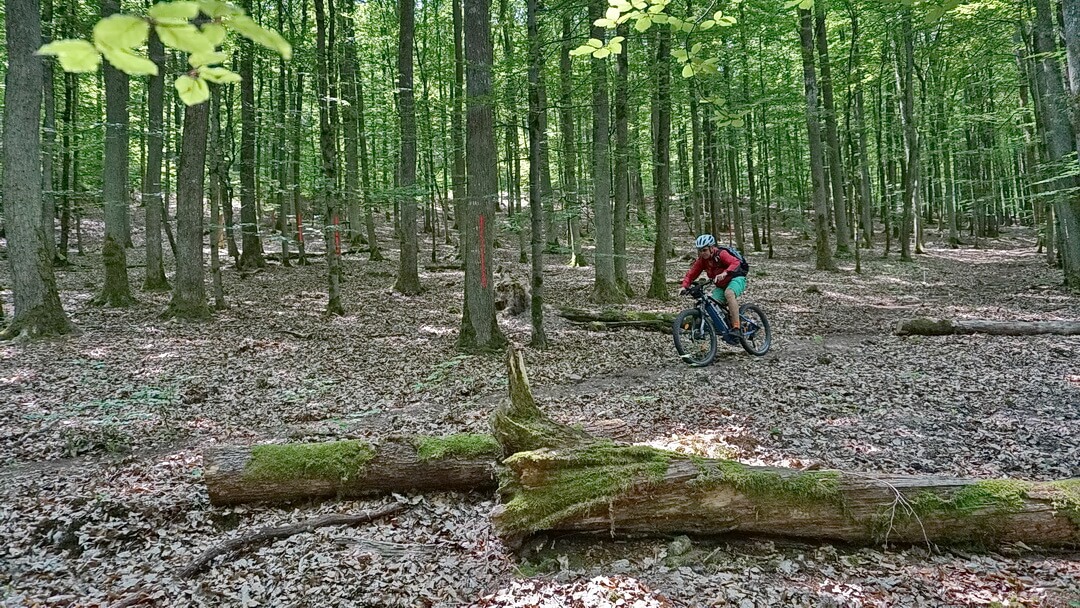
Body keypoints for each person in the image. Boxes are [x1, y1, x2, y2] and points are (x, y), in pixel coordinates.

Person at [679, 234, 747, 336]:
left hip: (736, 278)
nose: (702, 253)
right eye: (700, 251)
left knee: (729, 294)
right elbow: (691, 274)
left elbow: (735, 263)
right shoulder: (702, 261)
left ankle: (736, 327)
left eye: (704, 250)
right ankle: (727, 323)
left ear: (711, 248)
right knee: (711, 304)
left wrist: (725, 273)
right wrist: (684, 286)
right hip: (721, 285)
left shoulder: (721, 254)